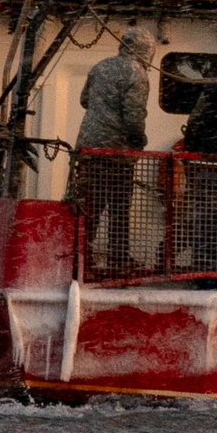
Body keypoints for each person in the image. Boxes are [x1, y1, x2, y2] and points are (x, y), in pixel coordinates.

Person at [72, 26, 156, 274]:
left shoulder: (101, 65)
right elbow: (134, 115)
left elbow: (84, 100)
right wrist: (139, 140)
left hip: (89, 146)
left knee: (90, 204)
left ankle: (79, 256)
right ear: (146, 51)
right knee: (119, 206)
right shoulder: (137, 72)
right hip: (116, 151)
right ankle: (118, 257)